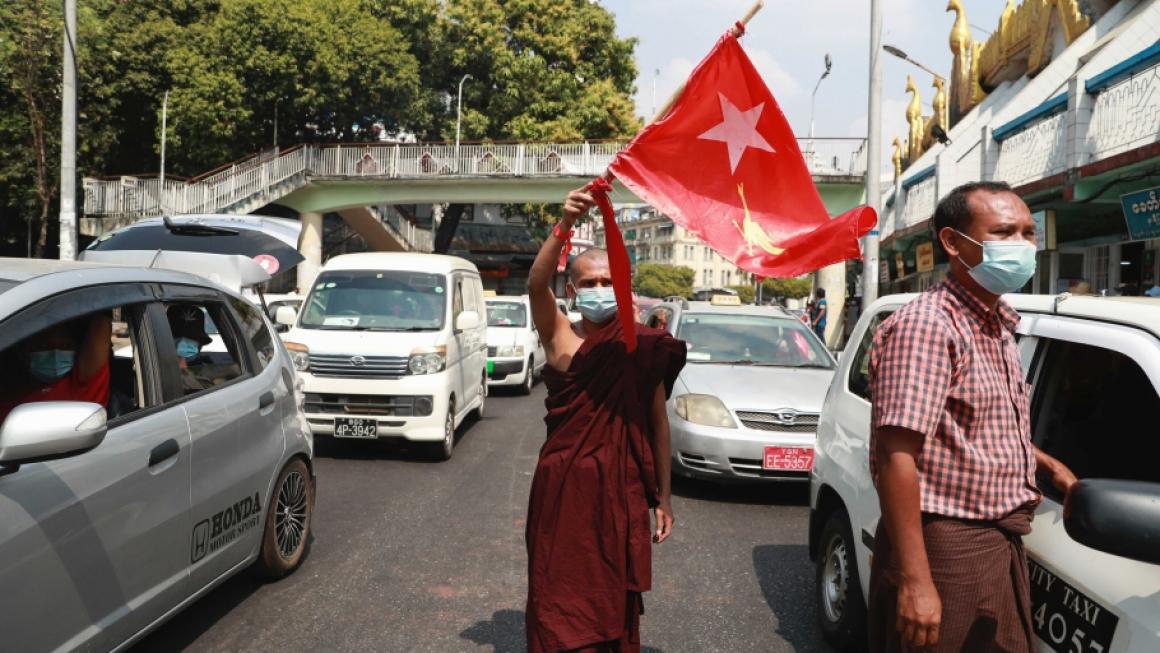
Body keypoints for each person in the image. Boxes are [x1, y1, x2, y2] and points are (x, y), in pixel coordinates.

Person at [867, 181, 1078, 653]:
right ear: (952, 242)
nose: (1021, 246)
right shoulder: (929, 326)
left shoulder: (996, 322)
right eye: (1003, 233)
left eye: (1027, 233)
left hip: (994, 542)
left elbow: (982, 425)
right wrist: (917, 581)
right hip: (946, 546)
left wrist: (1049, 466)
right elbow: (896, 455)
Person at [524, 187, 686, 653]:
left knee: (612, 593)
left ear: (623, 286)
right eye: (589, 283)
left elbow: (657, 424)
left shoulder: (640, 344)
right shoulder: (560, 335)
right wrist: (564, 225)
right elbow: (535, 285)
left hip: (621, 489)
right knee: (555, 588)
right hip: (563, 487)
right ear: (572, 291)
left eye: (607, 281)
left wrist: (664, 498)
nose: (599, 289)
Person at [0, 313, 112, 424]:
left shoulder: (83, 384)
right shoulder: (10, 394)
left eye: (65, 346)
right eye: (44, 346)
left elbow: (100, 324)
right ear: (24, 353)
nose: (55, 354)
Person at [167, 304, 215, 393]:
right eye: (177, 337)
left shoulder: (209, 369)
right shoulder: (152, 365)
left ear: (200, 343)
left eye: (191, 338)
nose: (182, 344)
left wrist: (185, 373)